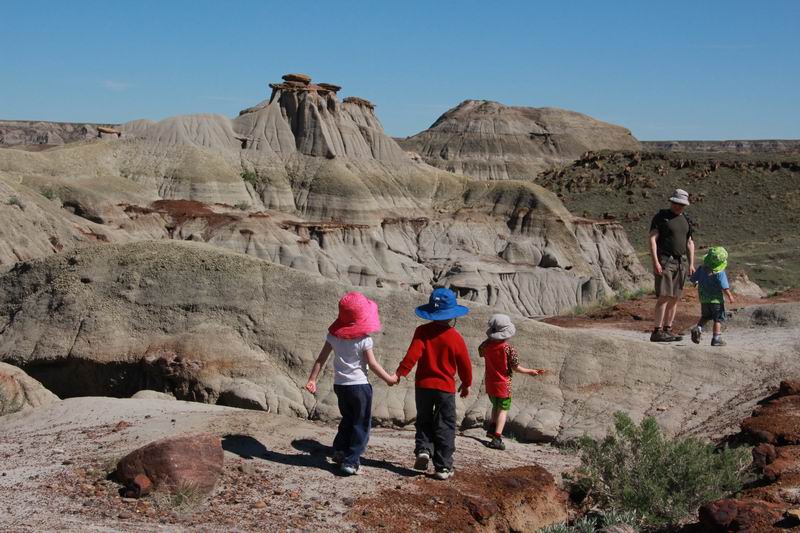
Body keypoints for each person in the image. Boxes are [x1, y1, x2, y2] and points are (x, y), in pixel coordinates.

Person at [305, 292, 398, 476]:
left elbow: (320, 359)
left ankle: (339, 450)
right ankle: (351, 460)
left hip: (340, 386)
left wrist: (312, 379)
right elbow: (372, 364)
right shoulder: (364, 340)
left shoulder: (333, 337)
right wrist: (389, 378)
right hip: (360, 387)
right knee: (361, 424)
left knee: (347, 418)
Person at [394, 288, 472, 480]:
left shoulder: (422, 332)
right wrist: (467, 383)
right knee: (445, 424)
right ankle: (443, 467)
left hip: (423, 386)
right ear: (452, 315)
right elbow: (465, 364)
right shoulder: (455, 337)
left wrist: (400, 372)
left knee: (424, 420)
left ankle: (423, 449)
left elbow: (413, 355)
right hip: (445, 388)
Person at [479, 314, 546, 450]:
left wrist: (491, 338)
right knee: (503, 410)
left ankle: (492, 428)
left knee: (495, 406)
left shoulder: (485, 346)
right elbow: (516, 367)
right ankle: (497, 438)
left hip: (490, 382)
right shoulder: (508, 349)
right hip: (504, 384)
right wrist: (530, 371)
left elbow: (481, 352)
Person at [648, 188, 696, 342]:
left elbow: (690, 242)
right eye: (676, 203)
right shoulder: (661, 217)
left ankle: (668, 329)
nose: (678, 206)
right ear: (672, 201)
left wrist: (691, 263)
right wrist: (655, 261)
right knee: (664, 296)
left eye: (681, 204)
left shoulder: (686, 220)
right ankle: (657, 331)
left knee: (675, 296)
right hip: (665, 261)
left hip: (680, 262)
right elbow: (652, 239)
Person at [690, 247, 735, 346]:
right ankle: (716, 338)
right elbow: (724, 287)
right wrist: (730, 296)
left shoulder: (701, 269)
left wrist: (696, 282)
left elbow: (693, 279)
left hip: (704, 299)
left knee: (705, 316)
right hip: (716, 300)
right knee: (717, 319)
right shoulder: (719, 273)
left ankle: (698, 328)